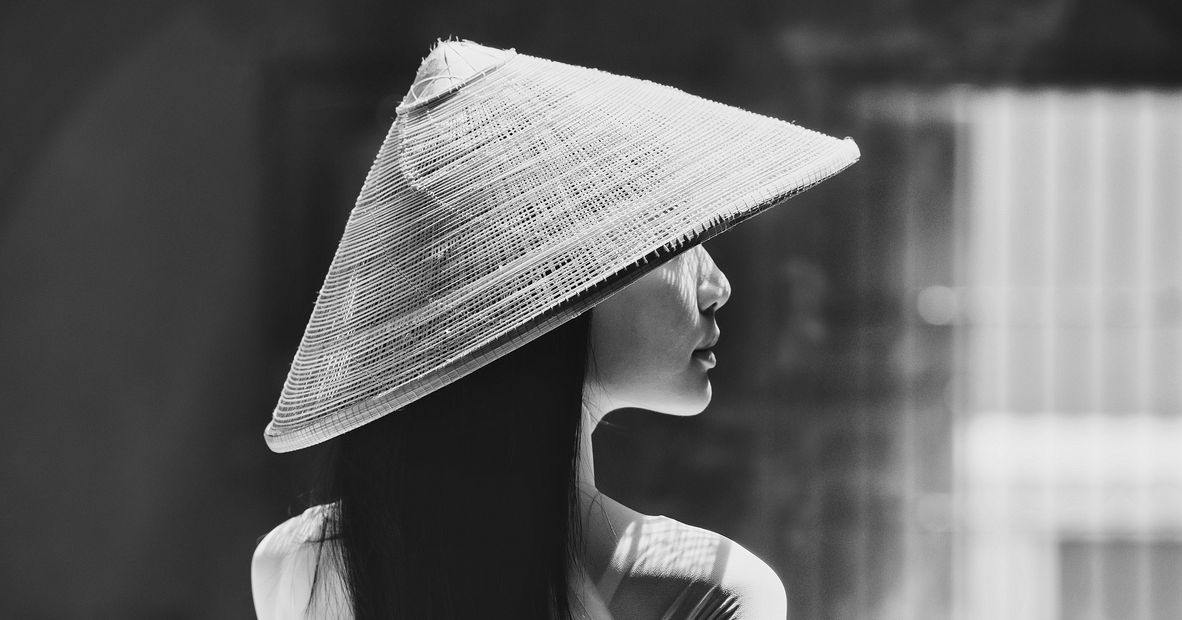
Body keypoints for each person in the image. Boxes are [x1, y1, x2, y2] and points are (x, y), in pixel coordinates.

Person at [251, 39, 859, 619]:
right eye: (679, 241)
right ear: (563, 288)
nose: (717, 286)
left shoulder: (299, 563)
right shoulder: (706, 588)